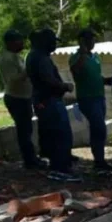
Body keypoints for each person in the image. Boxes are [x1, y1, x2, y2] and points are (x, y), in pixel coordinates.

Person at [25, 28, 79, 182]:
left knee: (52, 135)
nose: (54, 45)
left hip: (44, 100)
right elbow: (48, 80)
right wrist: (65, 86)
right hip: (48, 101)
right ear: (45, 41)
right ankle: (60, 169)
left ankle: (58, 166)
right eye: (53, 42)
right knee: (60, 135)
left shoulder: (34, 55)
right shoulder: (40, 58)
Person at [0, 29, 45, 170]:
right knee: (24, 131)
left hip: (22, 97)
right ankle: (30, 162)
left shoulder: (15, 56)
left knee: (27, 130)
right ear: (10, 43)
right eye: (19, 40)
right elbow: (13, 80)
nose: (22, 43)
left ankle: (32, 159)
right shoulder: (7, 59)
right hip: (16, 98)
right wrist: (28, 71)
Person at [69, 28, 112, 174]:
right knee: (99, 127)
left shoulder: (95, 57)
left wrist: (108, 80)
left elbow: (97, 76)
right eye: (88, 39)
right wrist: (82, 53)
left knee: (99, 130)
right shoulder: (76, 57)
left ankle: (100, 161)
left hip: (99, 96)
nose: (92, 42)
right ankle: (99, 162)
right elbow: (76, 71)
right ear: (81, 41)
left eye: (93, 39)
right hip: (87, 98)